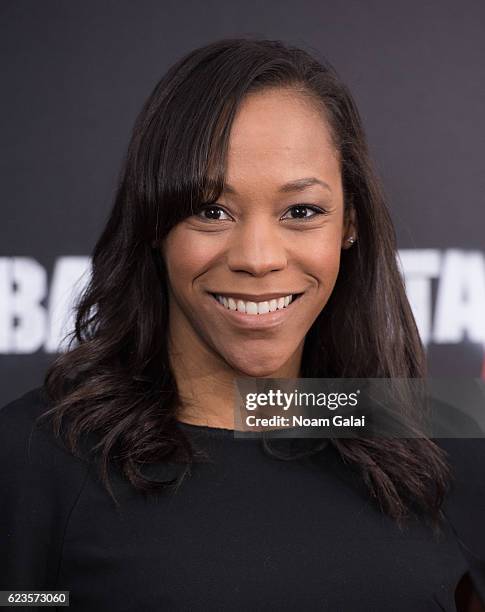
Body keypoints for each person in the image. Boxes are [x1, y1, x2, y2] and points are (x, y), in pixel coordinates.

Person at [1, 37, 484, 612]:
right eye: (211, 211)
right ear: (156, 223)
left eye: (301, 212)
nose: (258, 256)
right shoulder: (38, 458)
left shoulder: (441, 446)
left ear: (349, 223)